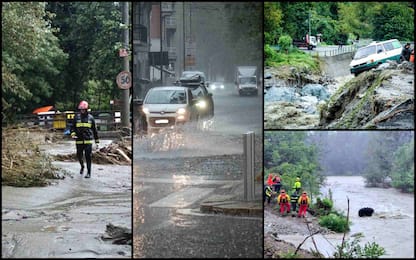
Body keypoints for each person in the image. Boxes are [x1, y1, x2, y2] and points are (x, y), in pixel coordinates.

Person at [70, 100, 99, 178]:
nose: (82, 111)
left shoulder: (91, 118)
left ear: (87, 109)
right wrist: (73, 134)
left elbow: (94, 130)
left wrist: (97, 141)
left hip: (88, 141)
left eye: (84, 110)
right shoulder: (76, 117)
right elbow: (72, 128)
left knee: (88, 156)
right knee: (79, 155)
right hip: (79, 140)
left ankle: (89, 172)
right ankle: (82, 166)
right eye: (81, 110)